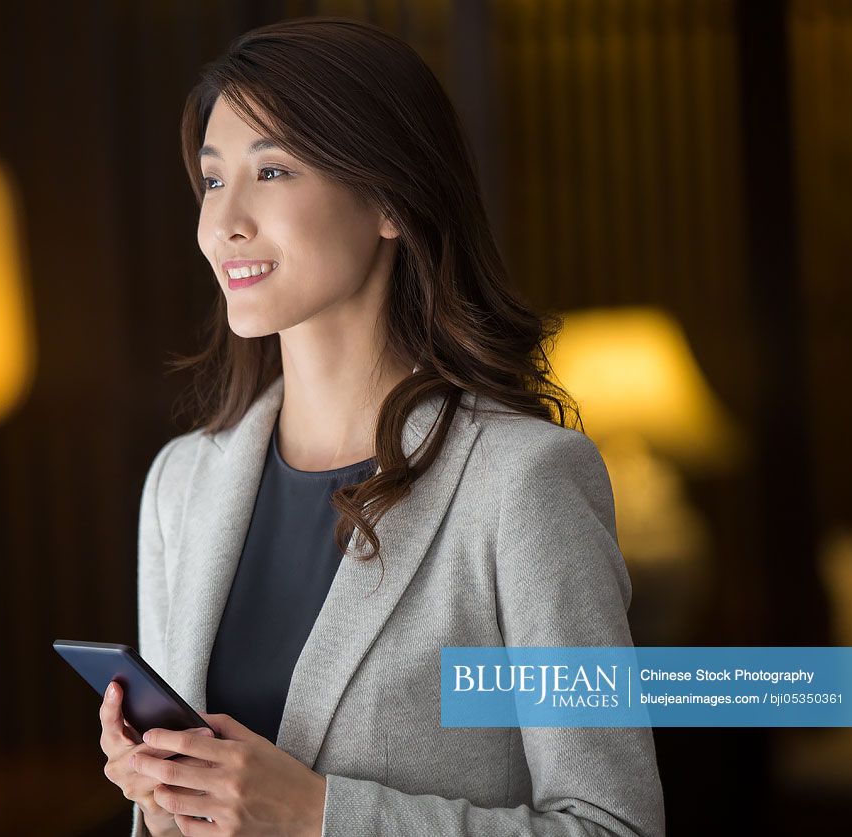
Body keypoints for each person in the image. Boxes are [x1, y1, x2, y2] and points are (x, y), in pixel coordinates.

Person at [99, 16, 665, 837]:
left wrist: (319, 815)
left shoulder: (523, 483)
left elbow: (613, 825)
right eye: (214, 180)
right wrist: (161, 789)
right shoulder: (180, 484)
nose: (223, 222)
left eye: (273, 170)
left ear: (390, 202)